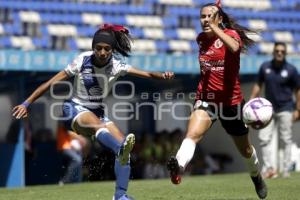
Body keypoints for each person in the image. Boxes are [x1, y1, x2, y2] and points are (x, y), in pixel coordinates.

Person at [12, 23, 174, 200]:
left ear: (112, 50)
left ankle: (120, 196)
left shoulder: (117, 66)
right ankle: (119, 150)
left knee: (124, 150)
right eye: (98, 48)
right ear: (93, 48)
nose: (103, 52)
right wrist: (26, 103)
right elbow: (50, 83)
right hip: (73, 109)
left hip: (97, 113)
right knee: (109, 137)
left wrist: (163, 75)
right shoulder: (82, 60)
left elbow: (148, 74)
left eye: (107, 49)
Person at [166, 2, 267, 199]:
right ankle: (179, 166)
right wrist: (212, 26)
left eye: (209, 16)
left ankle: (256, 177)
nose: (204, 20)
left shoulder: (231, 35)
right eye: (202, 17)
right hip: (207, 100)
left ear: (219, 19)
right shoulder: (201, 39)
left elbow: (235, 47)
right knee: (192, 134)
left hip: (232, 103)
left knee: (245, 151)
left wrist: (215, 27)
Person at [250, 42, 300, 178]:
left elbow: (298, 90)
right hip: (267, 110)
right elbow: (258, 85)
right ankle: (270, 169)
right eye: (277, 50)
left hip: (286, 108)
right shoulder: (265, 67)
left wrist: (298, 109)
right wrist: (251, 101)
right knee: (264, 138)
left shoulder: (291, 70)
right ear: (273, 52)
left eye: (282, 51)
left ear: (285, 53)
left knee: (286, 139)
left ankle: (285, 170)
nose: (279, 53)